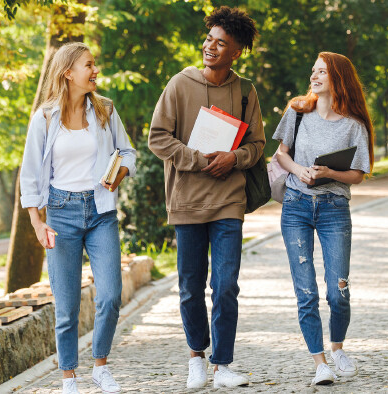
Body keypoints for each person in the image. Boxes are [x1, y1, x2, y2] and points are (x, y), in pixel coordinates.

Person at [147, 6, 263, 390]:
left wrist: (235, 157)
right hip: (187, 201)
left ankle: (222, 365)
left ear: (236, 51)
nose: (210, 47)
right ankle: (196, 355)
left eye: (221, 43)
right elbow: (158, 138)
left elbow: (258, 145)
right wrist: (197, 160)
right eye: (209, 39)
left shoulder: (246, 91)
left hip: (229, 201)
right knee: (190, 286)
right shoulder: (179, 84)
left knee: (226, 284)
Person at [20, 42, 136, 394]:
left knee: (111, 295)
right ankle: (69, 376)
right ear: (68, 72)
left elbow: (128, 150)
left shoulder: (105, 109)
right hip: (60, 214)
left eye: (95, 64)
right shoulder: (44, 118)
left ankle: (100, 366)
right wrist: (37, 222)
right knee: (67, 304)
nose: (95, 70)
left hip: (100, 211)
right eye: (89, 65)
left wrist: (120, 173)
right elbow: (29, 174)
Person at [272, 52, 374, 386]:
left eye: (322, 71)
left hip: (334, 208)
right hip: (296, 206)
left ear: (338, 78)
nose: (314, 76)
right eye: (313, 70)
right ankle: (320, 362)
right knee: (306, 291)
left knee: (338, 290)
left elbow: (358, 174)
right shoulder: (297, 112)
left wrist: (329, 171)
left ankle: (338, 348)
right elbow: (280, 155)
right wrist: (300, 170)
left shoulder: (354, 125)